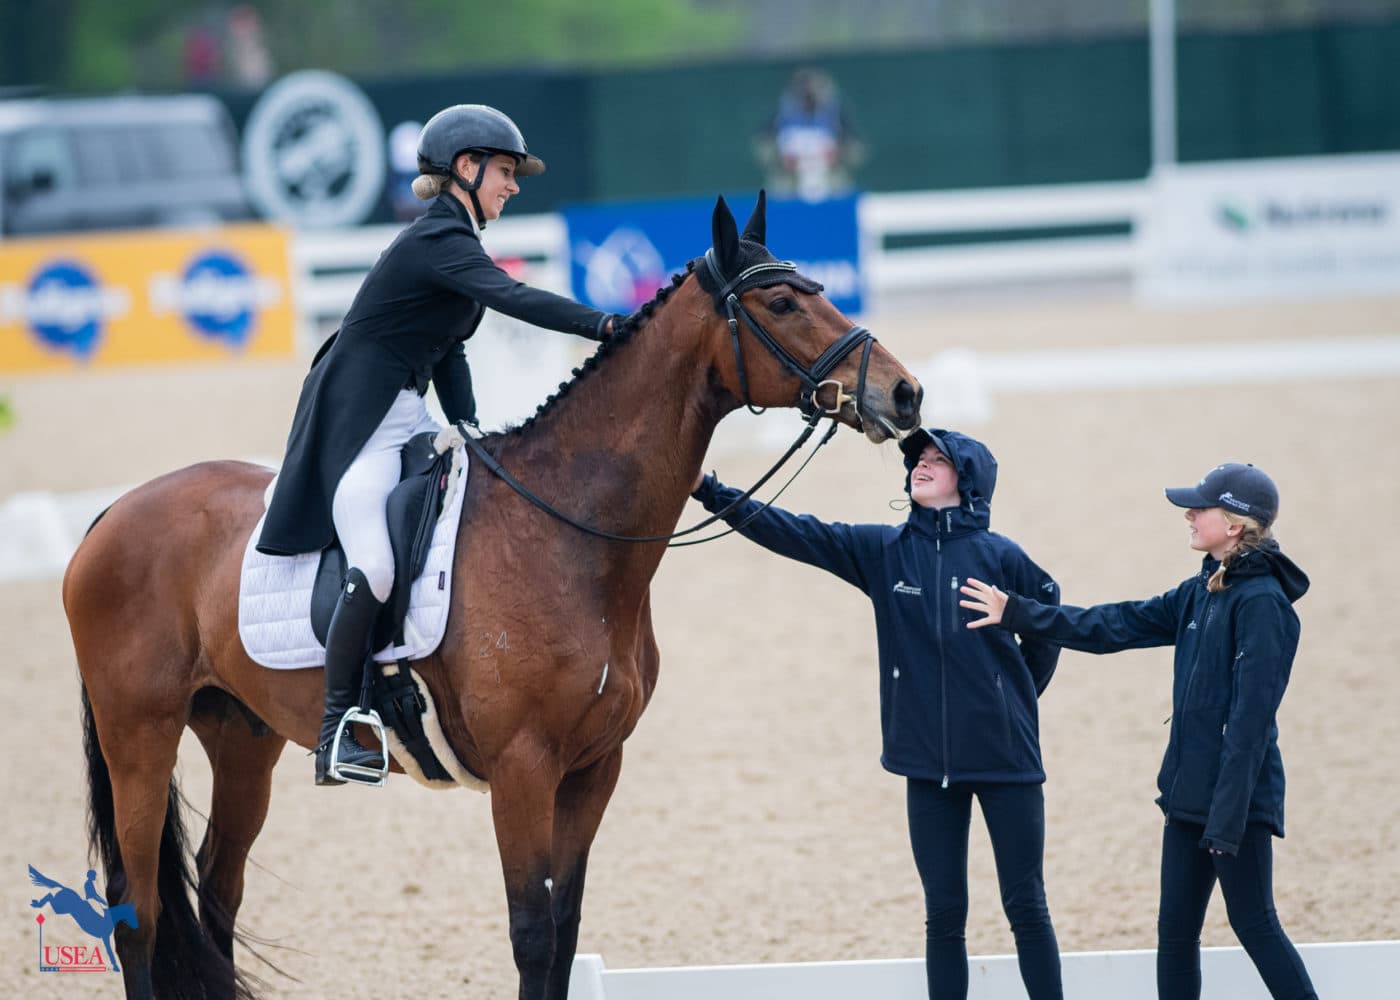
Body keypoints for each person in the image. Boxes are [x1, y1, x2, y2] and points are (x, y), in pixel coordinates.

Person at [257, 104, 618, 786]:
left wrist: (470, 427)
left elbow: (448, 350)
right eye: (505, 172)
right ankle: (341, 725)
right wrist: (604, 324)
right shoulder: (435, 241)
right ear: (465, 168)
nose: (513, 186)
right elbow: (513, 297)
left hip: (408, 416)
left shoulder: (457, 244)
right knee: (377, 561)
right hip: (356, 425)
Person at [692, 428, 1065, 1000]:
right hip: (926, 765)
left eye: (938, 460)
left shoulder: (1003, 557)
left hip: (1006, 760)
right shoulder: (883, 550)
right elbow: (795, 532)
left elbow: (1048, 624)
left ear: (968, 481)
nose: (922, 464)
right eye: (919, 457)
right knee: (944, 914)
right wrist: (709, 491)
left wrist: (1011, 699)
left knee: (1026, 907)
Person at [960, 462, 1318, 1000]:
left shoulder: (1262, 604)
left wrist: (1224, 823)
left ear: (1237, 524)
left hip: (1234, 803)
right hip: (1188, 797)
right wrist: (1019, 613)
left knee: (1255, 925)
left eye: (1201, 507)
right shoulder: (1203, 590)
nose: (1190, 515)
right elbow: (1114, 625)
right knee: (1174, 934)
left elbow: (1249, 726)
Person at [754, 67, 865, 201]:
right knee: (778, 190)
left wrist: (839, 156)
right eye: (804, 86)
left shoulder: (835, 113)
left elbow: (857, 147)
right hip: (789, 173)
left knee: (841, 189)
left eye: (813, 86)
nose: (808, 91)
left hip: (829, 171)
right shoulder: (783, 113)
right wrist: (778, 159)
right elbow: (762, 143)